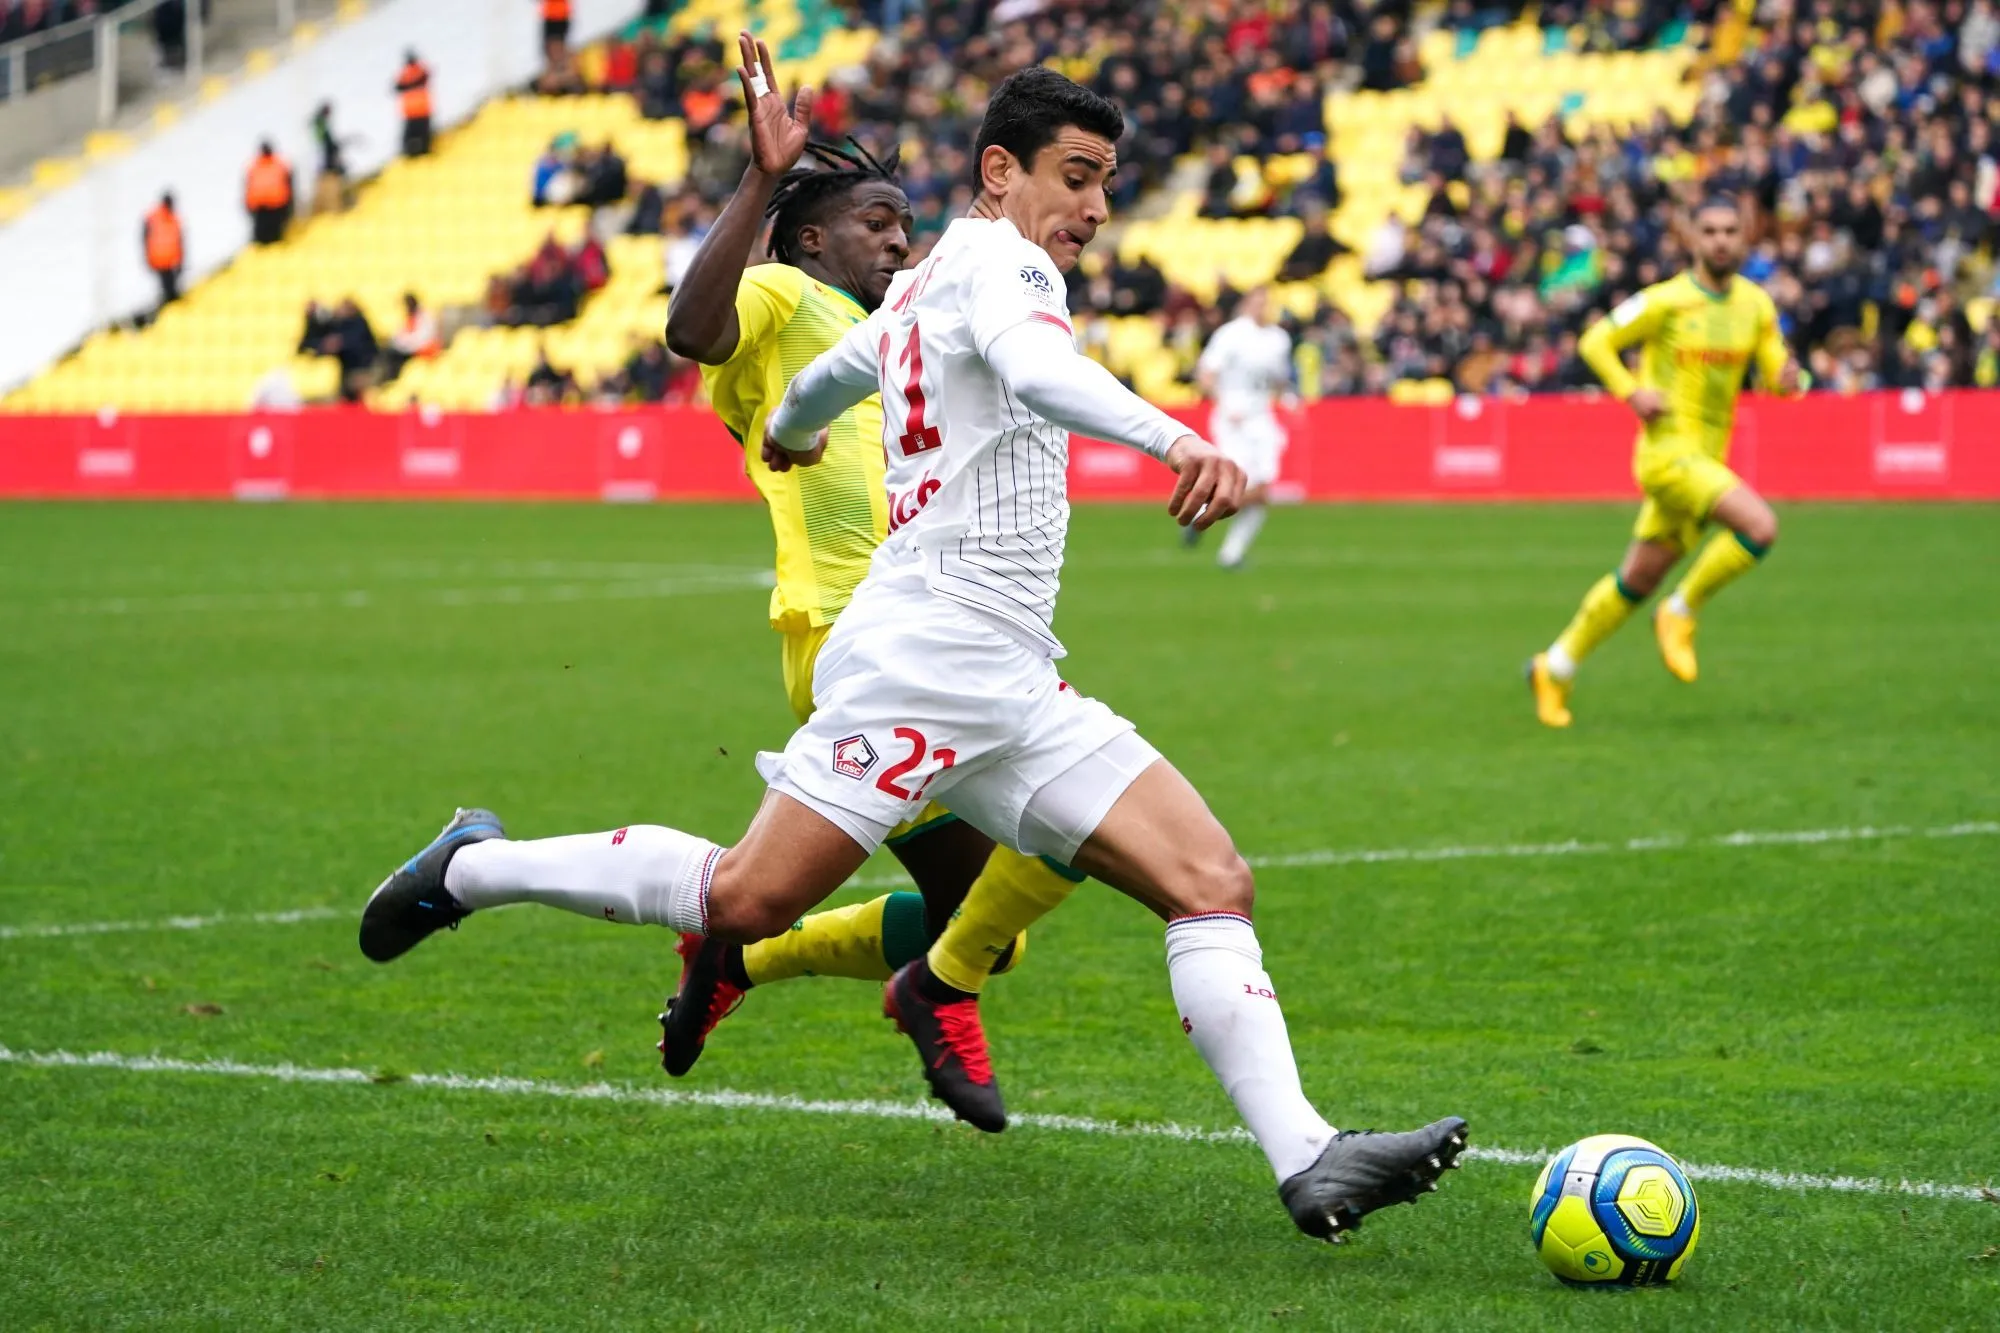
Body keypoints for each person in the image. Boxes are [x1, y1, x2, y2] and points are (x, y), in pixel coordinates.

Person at [359, 62, 1467, 1244]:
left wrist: (788, 430)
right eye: (1075, 177)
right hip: (926, 652)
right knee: (749, 894)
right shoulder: (1006, 263)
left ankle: (1308, 1156)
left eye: (1105, 184)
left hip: (1007, 674)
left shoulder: (932, 275)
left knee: (1207, 882)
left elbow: (846, 370)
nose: (1094, 209)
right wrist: (1176, 437)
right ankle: (469, 868)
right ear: (1001, 171)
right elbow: (1036, 370)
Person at [651, 32, 1059, 1081]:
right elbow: (692, 330)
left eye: (905, 227)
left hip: (919, 628)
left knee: (990, 926)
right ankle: (498, 871)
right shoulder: (785, 301)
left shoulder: (886, 338)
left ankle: (735, 955)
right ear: (808, 242)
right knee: (1027, 873)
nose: (895, 241)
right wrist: (760, 176)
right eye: (874, 223)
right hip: (853, 633)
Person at [1527, 198, 1806, 728]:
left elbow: (1779, 376)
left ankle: (1554, 666)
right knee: (1760, 527)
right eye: (1710, 231)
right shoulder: (1667, 301)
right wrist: (1632, 392)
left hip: (1705, 460)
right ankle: (1681, 611)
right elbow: (1596, 341)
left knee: (1636, 578)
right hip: (1666, 455)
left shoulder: (1756, 306)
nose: (1721, 240)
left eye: (1730, 230)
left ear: (1744, 236)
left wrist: (1794, 382)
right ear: (1693, 238)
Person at [1194, 287, 1296, 569]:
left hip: (1261, 416)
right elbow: (1206, 373)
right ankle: (1207, 522)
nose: (1263, 307)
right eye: (1258, 302)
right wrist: (1225, 403)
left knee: (1262, 491)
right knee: (1242, 483)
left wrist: (1288, 399)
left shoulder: (1278, 339)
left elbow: (1277, 380)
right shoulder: (1231, 334)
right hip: (1233, 417)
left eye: (1267, 302)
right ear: (1247, 304)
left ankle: (1220, 540)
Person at [244, 141, 294, 246]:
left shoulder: (253, 166)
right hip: (276, 205)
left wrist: (248, 207)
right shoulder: (281, 164)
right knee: (275, 237)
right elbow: (289, 184)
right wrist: (289, 208)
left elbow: (247, 186)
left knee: (261, 239)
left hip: (260, 206)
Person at [384, 291, 440, 380]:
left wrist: (405, 344)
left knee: (394, 356)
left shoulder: (425, 316)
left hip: (425, 350)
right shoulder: (409, 317)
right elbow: (401, 334)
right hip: (410, 348)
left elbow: (423, 338)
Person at [142, 192, 184, 308]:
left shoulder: (155, 217)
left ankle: (168, 304)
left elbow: (180, 240)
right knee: (167, 287)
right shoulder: (157, 217)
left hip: (166, 259)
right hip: (161, 260)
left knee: (168, 287)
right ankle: (167, 304)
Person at [395, 50, 433, 158]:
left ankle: (420, 152)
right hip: (415, 110)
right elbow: (397, 87)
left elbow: (400, 86)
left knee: (420, 135)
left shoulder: (416, 71)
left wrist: (408, 85)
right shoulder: (407, 72)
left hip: (418, 109)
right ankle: (413, 152)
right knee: (415, 135)